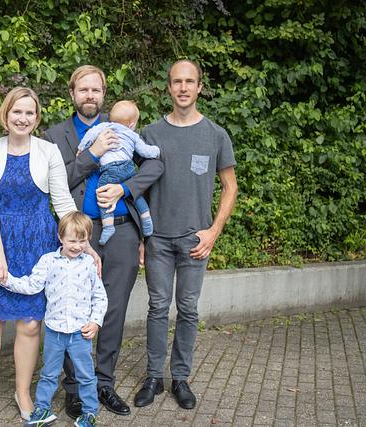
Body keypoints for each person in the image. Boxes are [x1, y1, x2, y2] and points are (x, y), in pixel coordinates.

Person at [43, 65, 164, 418]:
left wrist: (125, 188)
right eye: (83, 90)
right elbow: (58, 181)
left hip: (123, 232)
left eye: (96, 90)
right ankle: (74, 388)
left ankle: (104, 383)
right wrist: (92, 153)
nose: (90, 96)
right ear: (72, 93)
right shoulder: (55, 136)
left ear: (104, 94)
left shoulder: (121, 126)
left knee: (113, 309)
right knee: (73, 307)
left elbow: (155, 165)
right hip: (78, 235)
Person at [134, 59, 238, 410]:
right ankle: (153, 377)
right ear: (169, 87)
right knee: (158, 307)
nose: (183, 87)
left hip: (196, 240)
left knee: (189, 309)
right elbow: (139, 188)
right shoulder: (150, 134)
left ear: (199, 87)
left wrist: (214, 231)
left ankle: (180, 378)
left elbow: (230, 187)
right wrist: (142, 237)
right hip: (158, 239)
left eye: (189, 81)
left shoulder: (215, 135)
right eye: (177, 81)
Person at [0, 87, 79, 425]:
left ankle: (23, 393)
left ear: (36, 117)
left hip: (38, 243)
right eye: (16, 112)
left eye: (29, 113)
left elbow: (62, 203)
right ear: (5, 115)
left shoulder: (49, 151)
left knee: (31, 324)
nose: (23, 118)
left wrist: (83, 242)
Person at [0, 211, 107, 427]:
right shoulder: (48, 261)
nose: (77, 246)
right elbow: (31, 285)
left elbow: (99, 297)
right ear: (60, 237)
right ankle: (42, 409)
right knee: (48, 374)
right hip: (55, 332)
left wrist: (95, 322)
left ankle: (89, 413)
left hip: (80, 333)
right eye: (72, 241)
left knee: (86, 376)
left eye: (82, 241)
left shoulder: (89, 264)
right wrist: (6, 280)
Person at [77, 100, 160, 245]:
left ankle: (108, 226)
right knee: (136, 194)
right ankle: (146, 218)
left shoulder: (104, 127)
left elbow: (90, 135)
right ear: (131, 124)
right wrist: (157, 151)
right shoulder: (132, 134)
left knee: (103, 192)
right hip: (128, 167)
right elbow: (145, 151)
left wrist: (81, 148)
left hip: (111, 169)